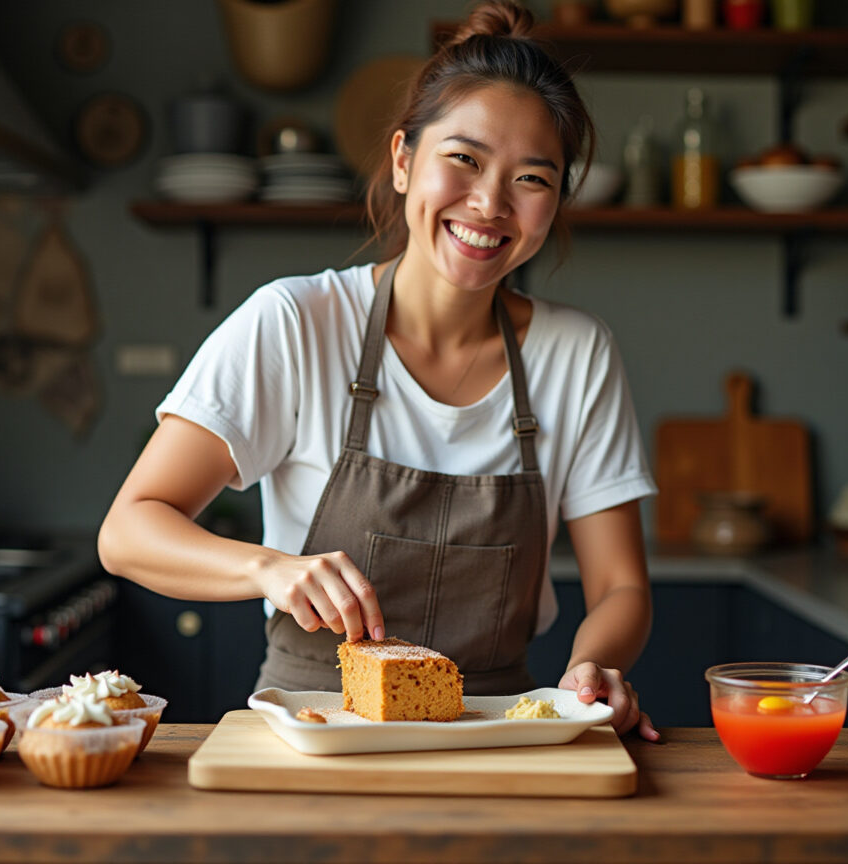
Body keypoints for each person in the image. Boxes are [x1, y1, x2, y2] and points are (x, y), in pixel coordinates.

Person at [99, 0, 660, 741]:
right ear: (402, 160)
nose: (490, 204)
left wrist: (593, 667)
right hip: (314, 728)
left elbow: (621, 586)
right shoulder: (295, 323)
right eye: (463, 159)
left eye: (532, 178)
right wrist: (269, 569)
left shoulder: (577, 353)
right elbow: (129, 531)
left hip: (495, 732)